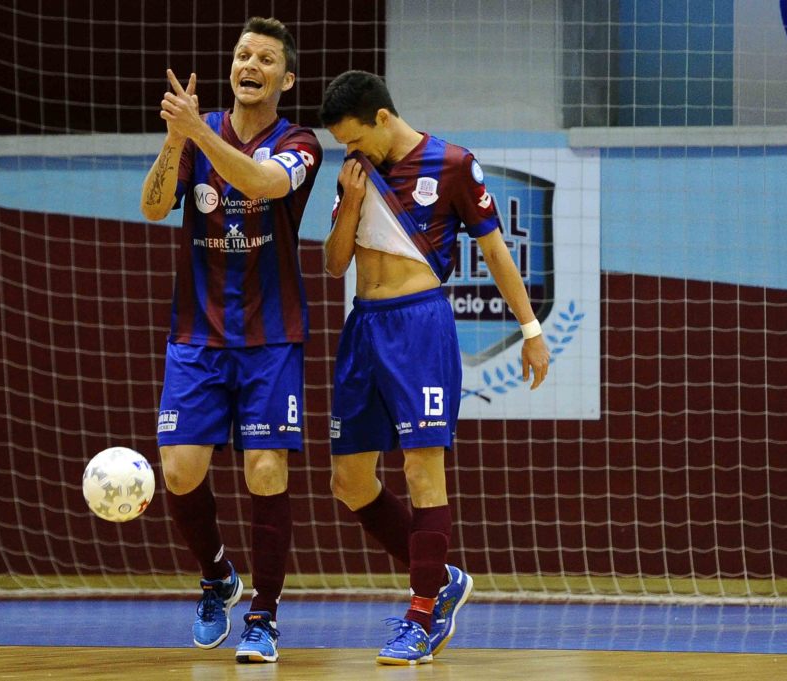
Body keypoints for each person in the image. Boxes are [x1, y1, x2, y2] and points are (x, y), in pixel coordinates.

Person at [318, 70, 550, 666]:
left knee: (423, 471)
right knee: (349, 482)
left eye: (354, 138)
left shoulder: (451, 164)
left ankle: (421, 616)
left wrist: (531, 330)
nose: (349, 150)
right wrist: (350, 203)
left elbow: (495, 250)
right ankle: (441, 578)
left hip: (419, 327)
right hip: (363, 327)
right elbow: (334, 263)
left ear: (382, 118)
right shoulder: (355, 171)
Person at [139, 17, 321, 664]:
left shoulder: (299, 142)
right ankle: (217, 575)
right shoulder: (197, 132)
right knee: (179, 470)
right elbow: (153, 206)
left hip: (271, 337)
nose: (250, 65)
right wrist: (175, 140)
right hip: (197, 334)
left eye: (266, 59)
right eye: (243, 55)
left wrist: (196, 133)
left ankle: (263, 616)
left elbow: (262, 183)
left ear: (285, 79)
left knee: (265, 469)